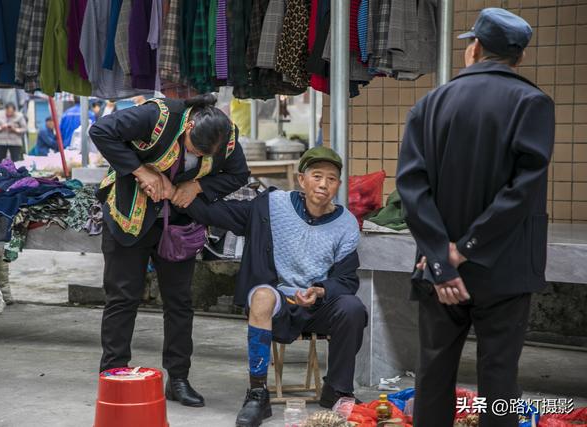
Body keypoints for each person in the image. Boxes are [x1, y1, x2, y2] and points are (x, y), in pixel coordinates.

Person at [395, 8, 555, 427]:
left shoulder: (430, 104)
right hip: (504, 270)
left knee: (434, 374)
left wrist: (441, 258)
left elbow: (412, 189)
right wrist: (466, 249)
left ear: (475, 49)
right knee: (498, 378)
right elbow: (522, 192)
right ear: (517, 58)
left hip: (439, 274)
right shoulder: (533, 103)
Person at [163, 147, 367, 427]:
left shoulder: (345, 224)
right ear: (301, 180)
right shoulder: (271, 206)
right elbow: (217, 213)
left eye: (331, 179)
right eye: (316, 176)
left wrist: (319, 290)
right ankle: (258, 393)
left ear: (338, 185)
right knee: (260, 296)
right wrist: (177, 193)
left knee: (352, 307)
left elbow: (346, 279)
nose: (323, 184)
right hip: (278, 299)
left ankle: (338, 390)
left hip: (315, 303)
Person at [89, 94, 250, 408]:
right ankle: (113, 375)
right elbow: (101, 131)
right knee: (123, 297)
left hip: (178, 223)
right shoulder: (157, 116)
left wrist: (198, 187)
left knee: (179, 301)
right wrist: (142, 172)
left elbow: (238, 174)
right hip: (130, 212)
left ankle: (178, 379)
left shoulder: (225, 135)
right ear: (189, 125)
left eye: (202, 155)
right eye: (191, 147)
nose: (193, 155)